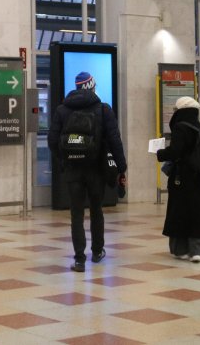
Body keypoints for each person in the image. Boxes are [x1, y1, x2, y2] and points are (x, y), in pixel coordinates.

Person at [48, 71, 127, 271]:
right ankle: (98, 251)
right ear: (91, 86)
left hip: (73, 170)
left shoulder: (62, 110)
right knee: (96, 210)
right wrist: (121, 167)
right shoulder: (103, 109)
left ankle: (79, 259)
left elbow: (52, 141)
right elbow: (114, 140)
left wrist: (64, 160)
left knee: (76, 213)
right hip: (96, 169)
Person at [155, 96, 200, 262]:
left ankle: (180, 250)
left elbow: (176, 152)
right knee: (198, 212)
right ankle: (196, 251)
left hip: (181, 178)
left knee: (179, 212)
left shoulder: (180, 128)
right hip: (199, 178)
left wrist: (160, 153)